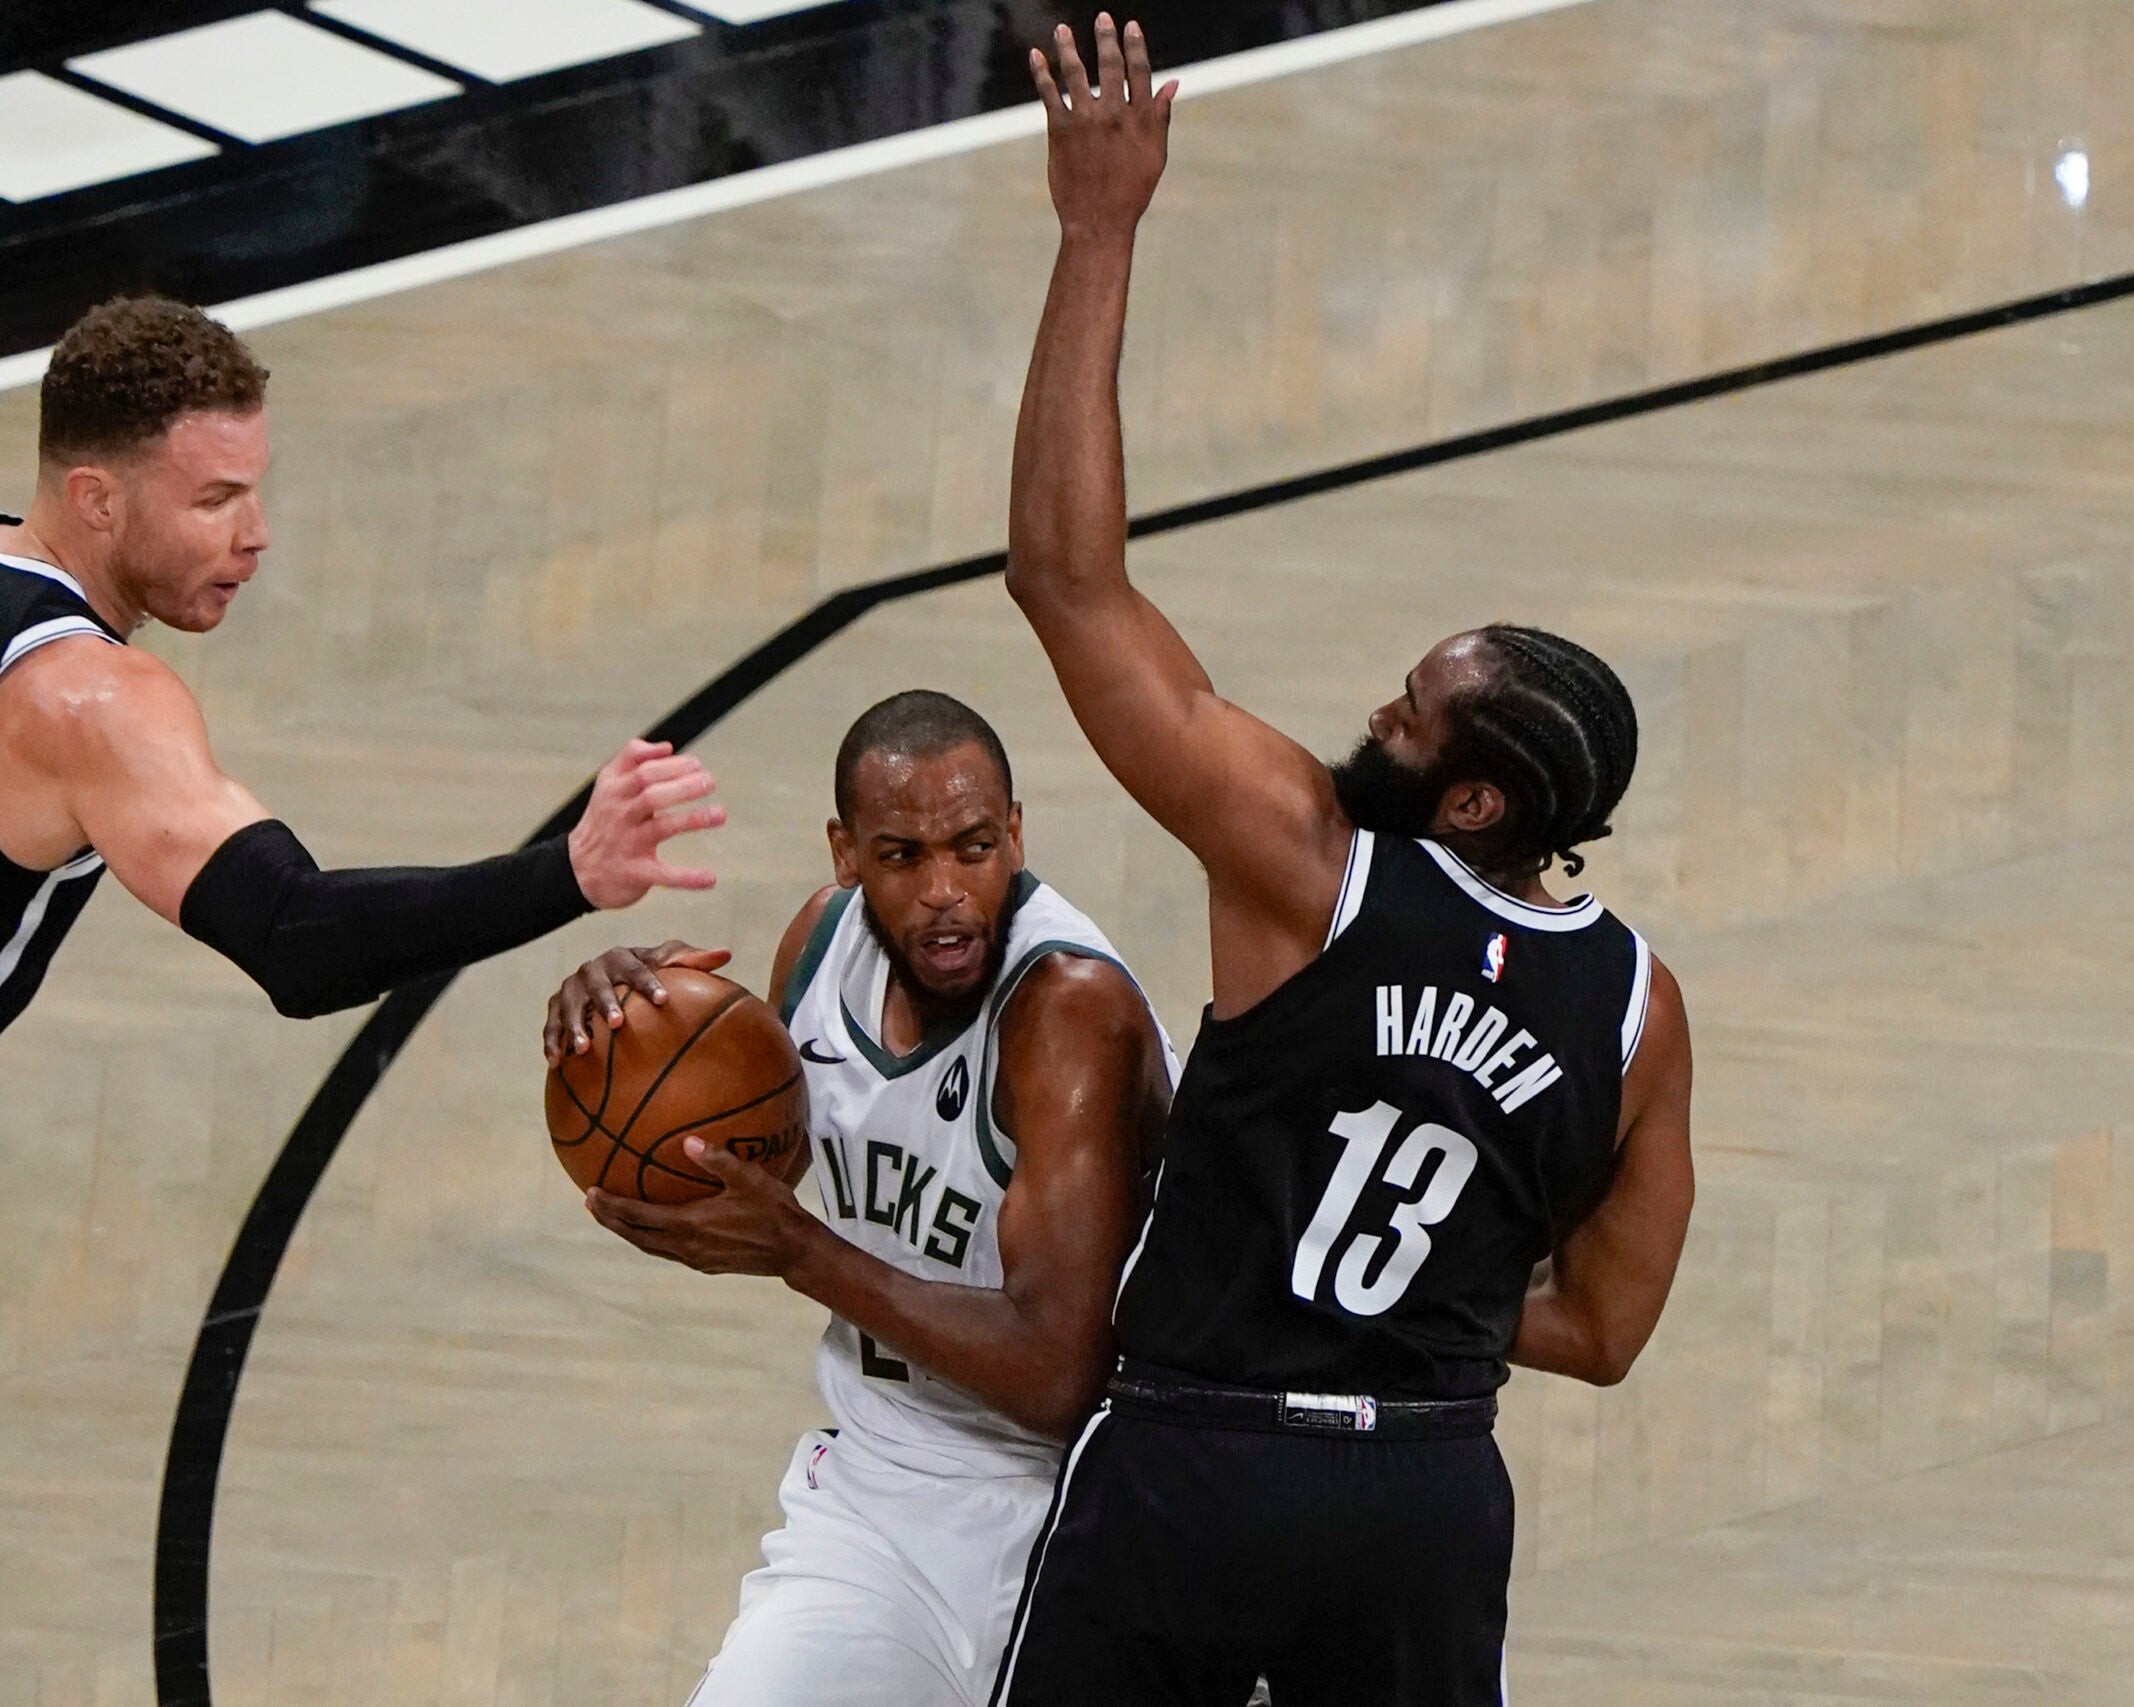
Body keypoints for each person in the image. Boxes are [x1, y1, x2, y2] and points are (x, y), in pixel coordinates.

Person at [0, 297, 721, 1705]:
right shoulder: (91, 699)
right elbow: (297, 939)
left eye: (255, 490)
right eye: (215, 498)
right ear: (96, 495)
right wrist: (565, 872)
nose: (257, 534)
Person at [988, 18, 1697, 1705]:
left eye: (1410, 710)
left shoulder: (1312, 863)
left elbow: (1067, 582)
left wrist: (1098, 231)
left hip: (1200, 1461)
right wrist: (1422, 1295)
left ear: (1472, 801)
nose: (1377, 710)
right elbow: (1606, 1329)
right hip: (1422, 1497)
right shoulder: (1639, 1008)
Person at [541, 690, 1175, 1707]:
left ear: (1016, 835)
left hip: (1089, 1510)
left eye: (973, 848)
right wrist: (635, 1040)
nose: (944, 892)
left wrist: (801, 1251)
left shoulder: (1067, 1011)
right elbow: (765, 1164)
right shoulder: (819, 945)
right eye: (902, 856)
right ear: (845, 854)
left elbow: (1059, 1372)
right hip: (881, 1496)